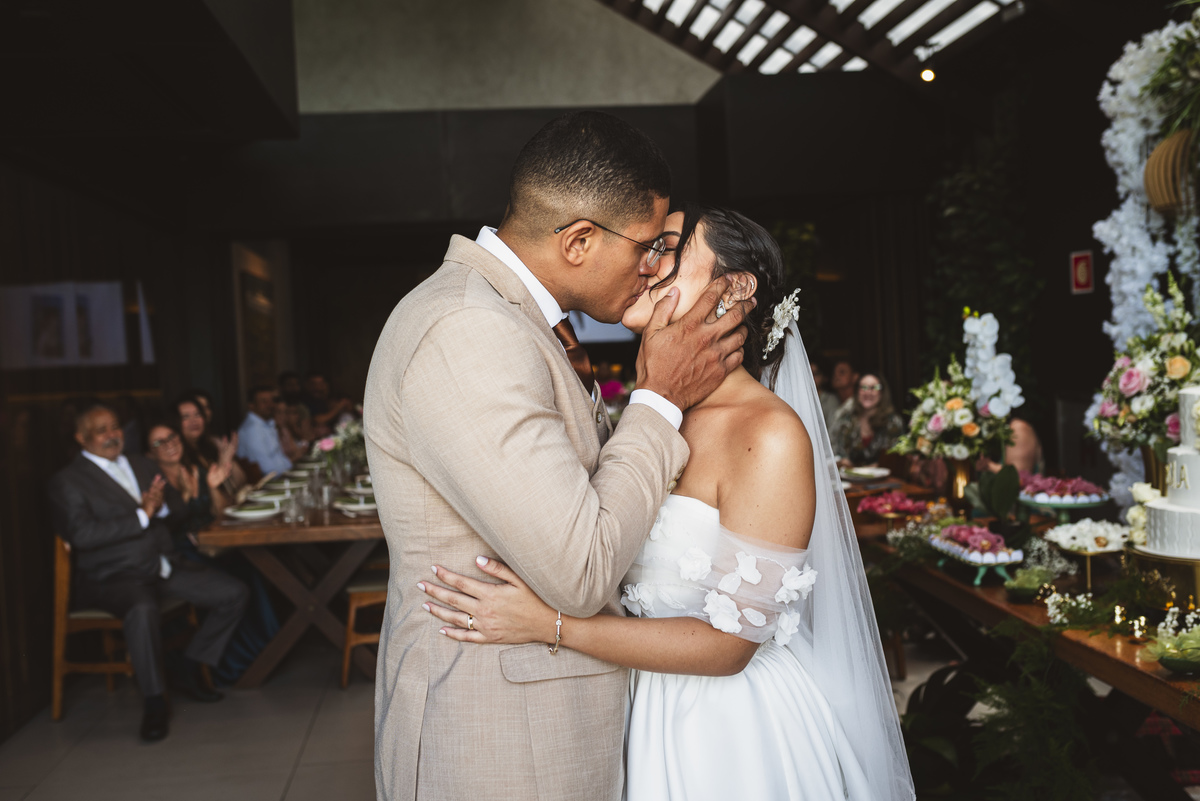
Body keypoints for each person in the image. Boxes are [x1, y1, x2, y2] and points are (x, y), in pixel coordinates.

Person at [420, 206, 913, 801]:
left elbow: (730, 646)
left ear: (735, 289)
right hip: (637, 706)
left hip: (728, 736)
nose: (647, 264)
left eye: (670, 251)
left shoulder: (768, 435)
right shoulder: (654, 416)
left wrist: (549, 625)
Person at [363, 111, 754, 801]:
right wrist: (658, 398)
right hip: (499, 744)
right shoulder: (468, 328)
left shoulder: (509, 317)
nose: (653, 268)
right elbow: (579, 570)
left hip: (540, 725)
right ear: (578, 240)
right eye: (647, 248)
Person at [47, 404, 249, 742]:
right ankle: (155, 702)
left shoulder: (141, 463)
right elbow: (82, 535)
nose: (112, 435)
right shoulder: (67, 481)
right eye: (101, 430)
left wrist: (162, 506)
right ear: (81, 438)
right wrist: (142, 514)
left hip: (163, 566)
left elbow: (177, 511)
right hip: (115, 576)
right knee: (142, 610)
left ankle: (189, 666)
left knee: (234, 593)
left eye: (115, 426)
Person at [147, 421, 230, 545]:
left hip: (216, 542)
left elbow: (222, 514)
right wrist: (185, 496)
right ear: (150, 453)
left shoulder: (199, 471)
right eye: (159, 442)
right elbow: (165, 529)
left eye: (171, 436)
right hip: (183, 550)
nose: (169, 444)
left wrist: (213, 488)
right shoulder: (155, 485)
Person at [176, 394, 246, 496]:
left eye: (198, 414)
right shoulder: (176, 454)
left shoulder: (210, 445)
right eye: (186, 417)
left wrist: (227, 460)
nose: (194, 420)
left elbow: (240, 483)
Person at [831, 372, 905, 467]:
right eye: (863, 387)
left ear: (882, 393)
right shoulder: (846, 419)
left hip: (883, 475)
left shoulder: (893, 422)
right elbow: (835, 452)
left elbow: (896, 459)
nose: (868, 392)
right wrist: (842, 462)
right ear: (857, 392)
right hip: (847, 475)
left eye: (874, 388)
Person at [236, 386, 292, 476]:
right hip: (268, 481)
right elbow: (267, 469)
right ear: (251, 405)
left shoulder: (267, 424)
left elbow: (280, 458)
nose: (270, 405)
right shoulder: (251, 430)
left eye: (271, 401)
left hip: (280, 477)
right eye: (264, 402)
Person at [811, 357, 841, 430]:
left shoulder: (830, 399)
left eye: (816, 374)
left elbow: (833, 428)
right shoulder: (799, 398)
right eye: (809, 373)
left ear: (825, 377)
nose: (811, 377)